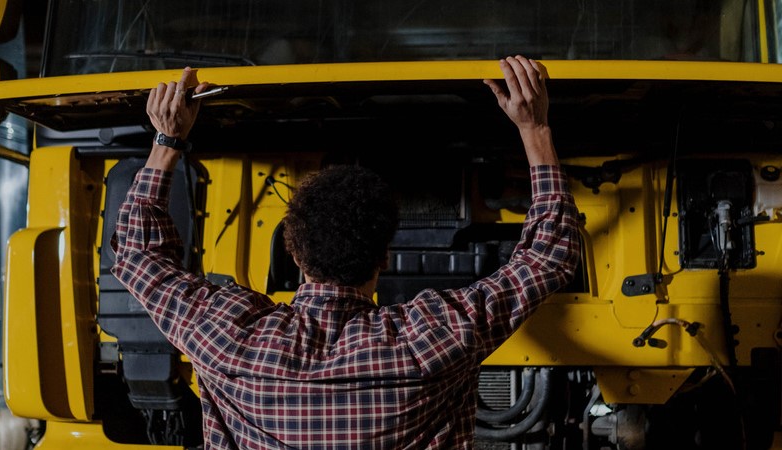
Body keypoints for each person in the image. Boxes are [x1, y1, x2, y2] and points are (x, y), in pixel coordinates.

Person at [111, 55, 580, 449]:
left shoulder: (232, 337)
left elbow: (136, 256)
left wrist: (167, 141)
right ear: (384, 258)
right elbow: (549, 256)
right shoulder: (433, 337)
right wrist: (534, 127)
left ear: (293, 254)